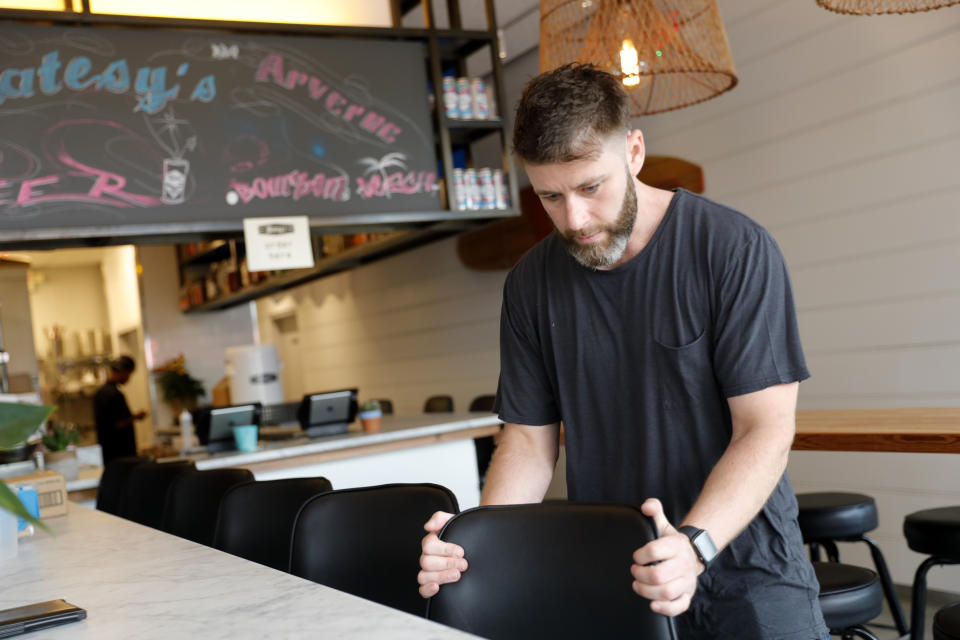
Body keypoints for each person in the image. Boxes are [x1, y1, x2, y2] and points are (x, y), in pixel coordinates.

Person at [418, 63, 828, 640]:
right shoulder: (531, 285)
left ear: (634, 151)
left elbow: (764, 430)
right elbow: (530, 442)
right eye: (550, 197)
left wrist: (693, 546)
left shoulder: (731, 249)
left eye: (591, 187)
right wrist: (478, 543)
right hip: (615, 573)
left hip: (746, 566)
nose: (575, 219)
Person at [93, 355, 147, 464]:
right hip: (121, 452)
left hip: (108, 452)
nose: (128, 378)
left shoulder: (100, 393)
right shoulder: (114, 394)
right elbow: (119, 423)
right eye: (129, 374)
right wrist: (136, 417)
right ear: (123, 371)